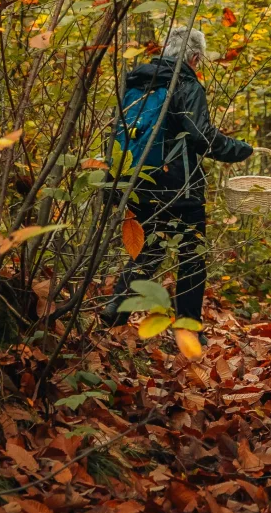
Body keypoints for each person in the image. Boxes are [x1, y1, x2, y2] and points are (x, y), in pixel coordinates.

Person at [104, 25, 254, 326]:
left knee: (148, 250)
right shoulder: (186, 84)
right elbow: (201, 137)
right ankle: (189, 329)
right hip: (177, 187)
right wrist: (239, 149)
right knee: (192, 255)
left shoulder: (137, 80)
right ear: (195, 58)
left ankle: (114, 314)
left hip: (135, 179)